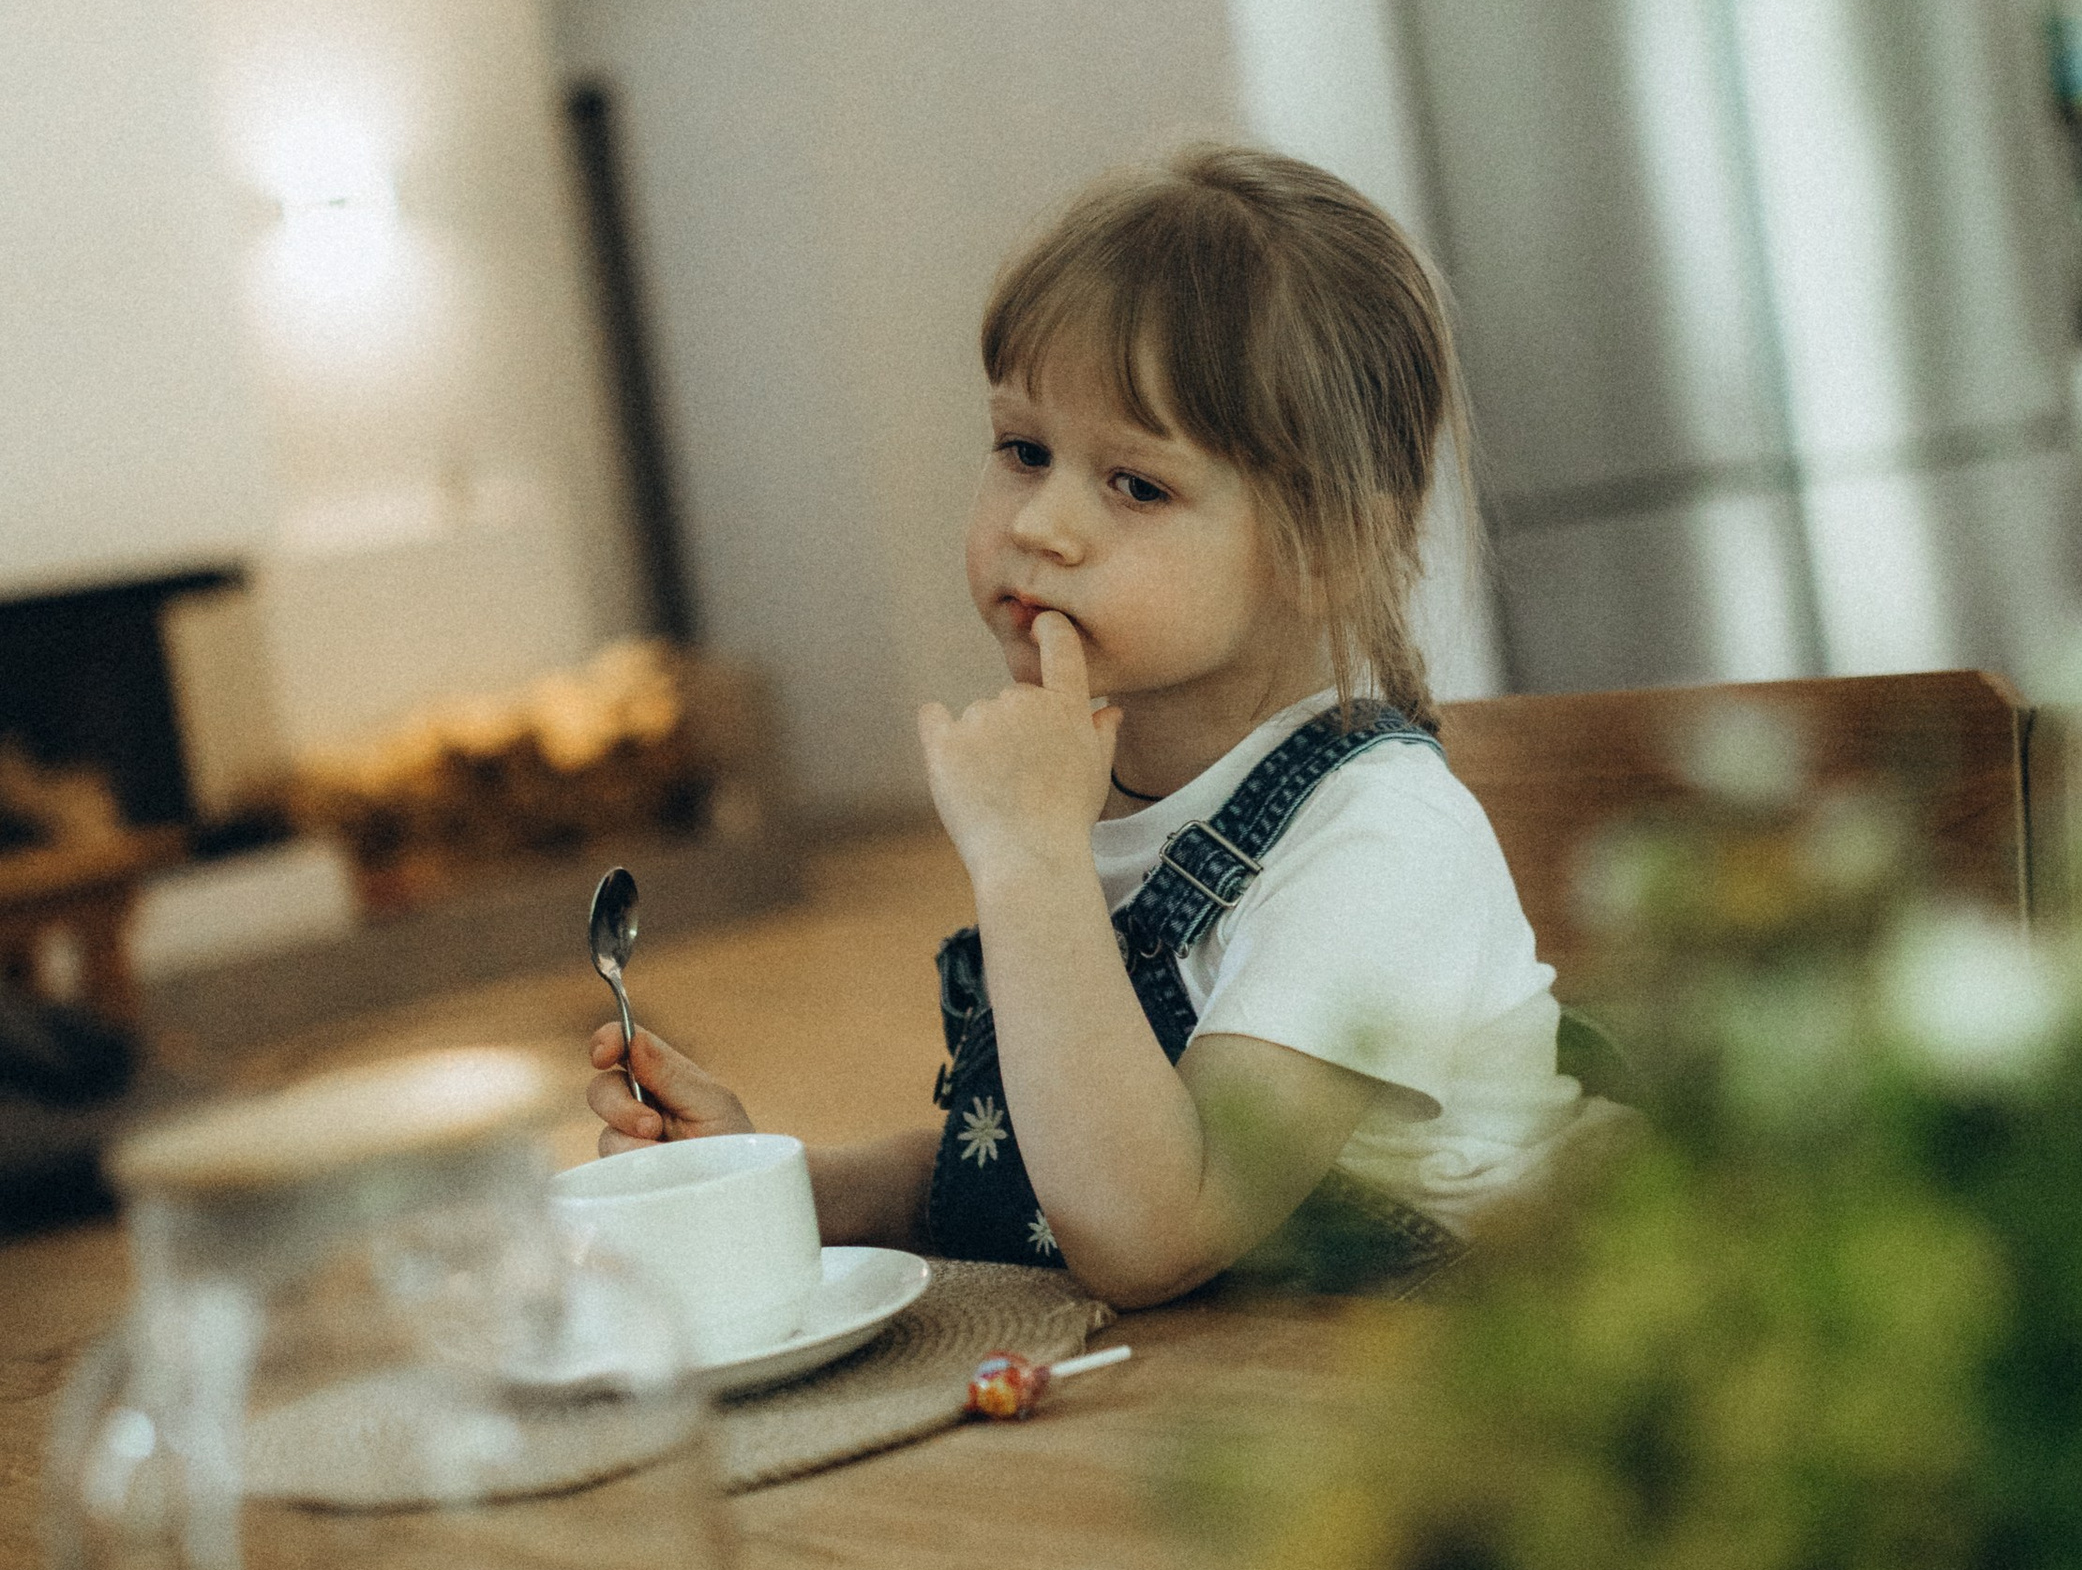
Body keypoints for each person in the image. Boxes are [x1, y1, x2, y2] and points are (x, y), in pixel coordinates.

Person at [587, 144, 1592, 1305]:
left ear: (1327, 548)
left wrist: (1028, 864)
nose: (1043, 525)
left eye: (1137, 485)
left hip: (1428, 1398)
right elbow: (1028, 1178)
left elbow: (1153, 1224)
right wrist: (762, 1181)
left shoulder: (1377, 844)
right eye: (1024, 451)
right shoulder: (1094, 801)